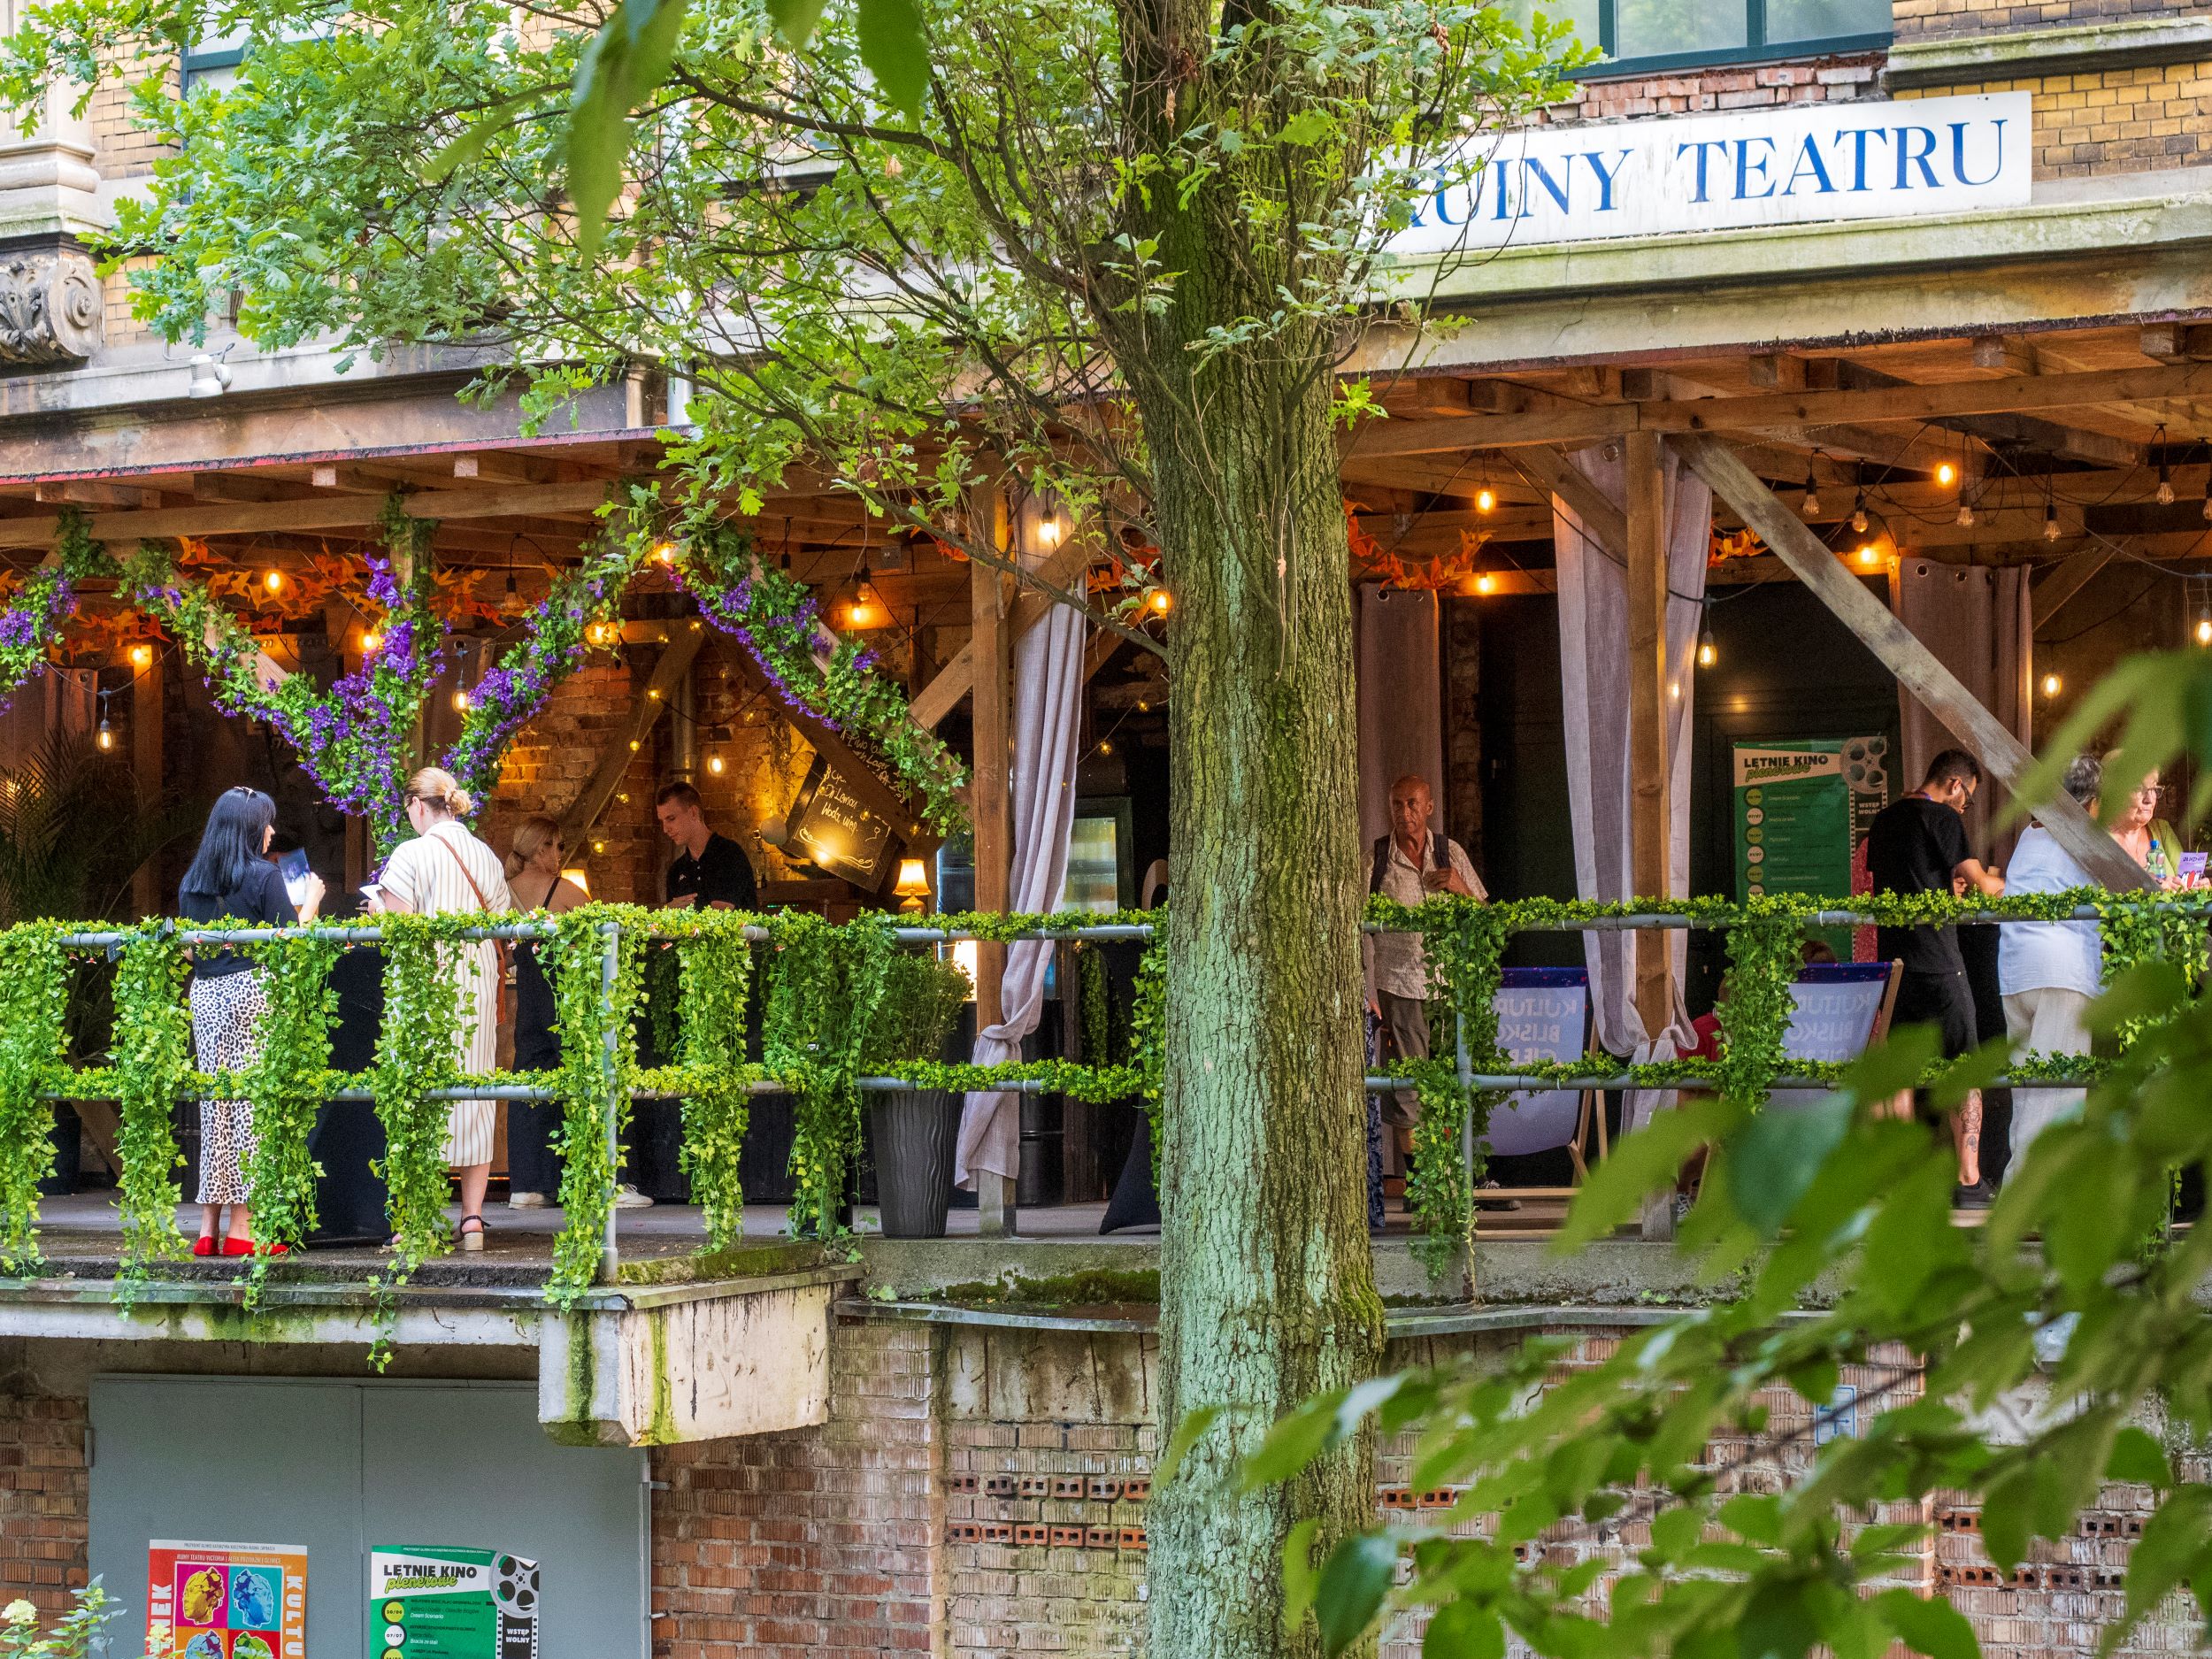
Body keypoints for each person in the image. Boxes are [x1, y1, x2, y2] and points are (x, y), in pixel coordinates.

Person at [365, 767, 513, 1251]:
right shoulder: (486, 855)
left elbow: (401, 928)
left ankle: (414, 1219)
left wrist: (378, 911)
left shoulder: (411, 853)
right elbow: (501, 924)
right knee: (475, 1095)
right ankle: (472, 1218)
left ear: (416, 805)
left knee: (419, 1094)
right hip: (476, 987)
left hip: (427, 991)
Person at [178, 787, 325, 1256]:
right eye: (267, 822)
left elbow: (190, 946)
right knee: (251, 1106)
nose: (272, 831)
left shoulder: (191, 881)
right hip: (251, 993)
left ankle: (208, 1229)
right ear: (249, 829)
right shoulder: (264, 876)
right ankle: (244, 1230)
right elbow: (290, 942)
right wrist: (314, 901)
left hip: (205, 996)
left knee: (216, 1104)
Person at [1865, 749, 2005, 1207]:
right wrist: (2003, 880)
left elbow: (1902, 882)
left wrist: (1945, 890)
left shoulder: (1884, 821)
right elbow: (1982, 886)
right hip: (1940, 961)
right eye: (1967, 799)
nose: (1965, 809)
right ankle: (1969, 1182)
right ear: (1956, 784)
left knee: (1902, 1072)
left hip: (1895, 964)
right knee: (1964, 1068)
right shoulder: (1943, 819)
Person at [1365, 775, 1485, 1170]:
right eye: (1397, 804)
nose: (1405, 813)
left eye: (1413, 804)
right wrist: (1364, 989)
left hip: (1449, 988)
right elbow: (1354, 928)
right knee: (1409, 1090)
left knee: (1453, 1082)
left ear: (1429, 806)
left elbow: (1487, 921)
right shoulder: (1377, 860)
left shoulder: (1450, 853)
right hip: (1398, 986)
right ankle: (1419, 1186)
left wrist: (1461, 888)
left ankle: (1452, 1177)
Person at [1998, 754, 2106, 1165]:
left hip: (2016, 972)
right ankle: (2026, 1205)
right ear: (2092, 800)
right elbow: (2128, 889)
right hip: (2062, 973)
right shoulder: (2081, 837)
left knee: (2028, 1091)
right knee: (2056, 1095)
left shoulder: (2031, 834)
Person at [503, 815, 588, 1210]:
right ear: (541, 849)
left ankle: (526, 1185)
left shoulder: (506, 892)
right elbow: (605, 932)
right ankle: (597, 1179)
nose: (560, 853)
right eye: (556, 846)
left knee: (528, 1082)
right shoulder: (565, 891)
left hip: (528, 998)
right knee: (585, 1072)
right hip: (564, 991)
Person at [656, 782, 758, 911]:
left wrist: (669, 912)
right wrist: (667, 911)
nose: (665, 829)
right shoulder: (676, 870)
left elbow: (719, 918)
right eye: (662, 821)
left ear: (693, 812)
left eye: (671, 818)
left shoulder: (729, 855)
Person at [2107, 763, 2183, 887]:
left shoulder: (2162, 830)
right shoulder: (2099, 839)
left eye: (2153, 789)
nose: (2149, 799)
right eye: (2138, 789)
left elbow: (2186, 880)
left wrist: (2198, 886)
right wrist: (2150, 887)